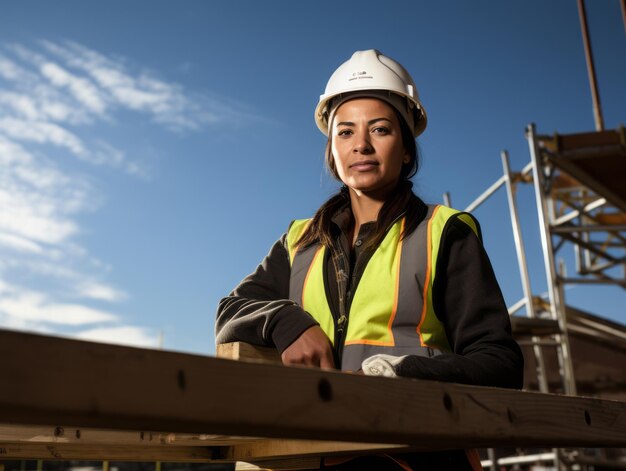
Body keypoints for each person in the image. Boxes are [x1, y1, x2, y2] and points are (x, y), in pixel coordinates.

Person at [216, 49, 523, 470]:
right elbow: (230, 313)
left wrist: (393, 376)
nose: (360, 144)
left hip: (411, 457)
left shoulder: (444, 233)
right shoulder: (300, 240)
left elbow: (499, 363)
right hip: (305, 458)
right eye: (344, 132)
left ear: (407, 149)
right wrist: (289, 323)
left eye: (379, 129)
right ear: (332, 151)